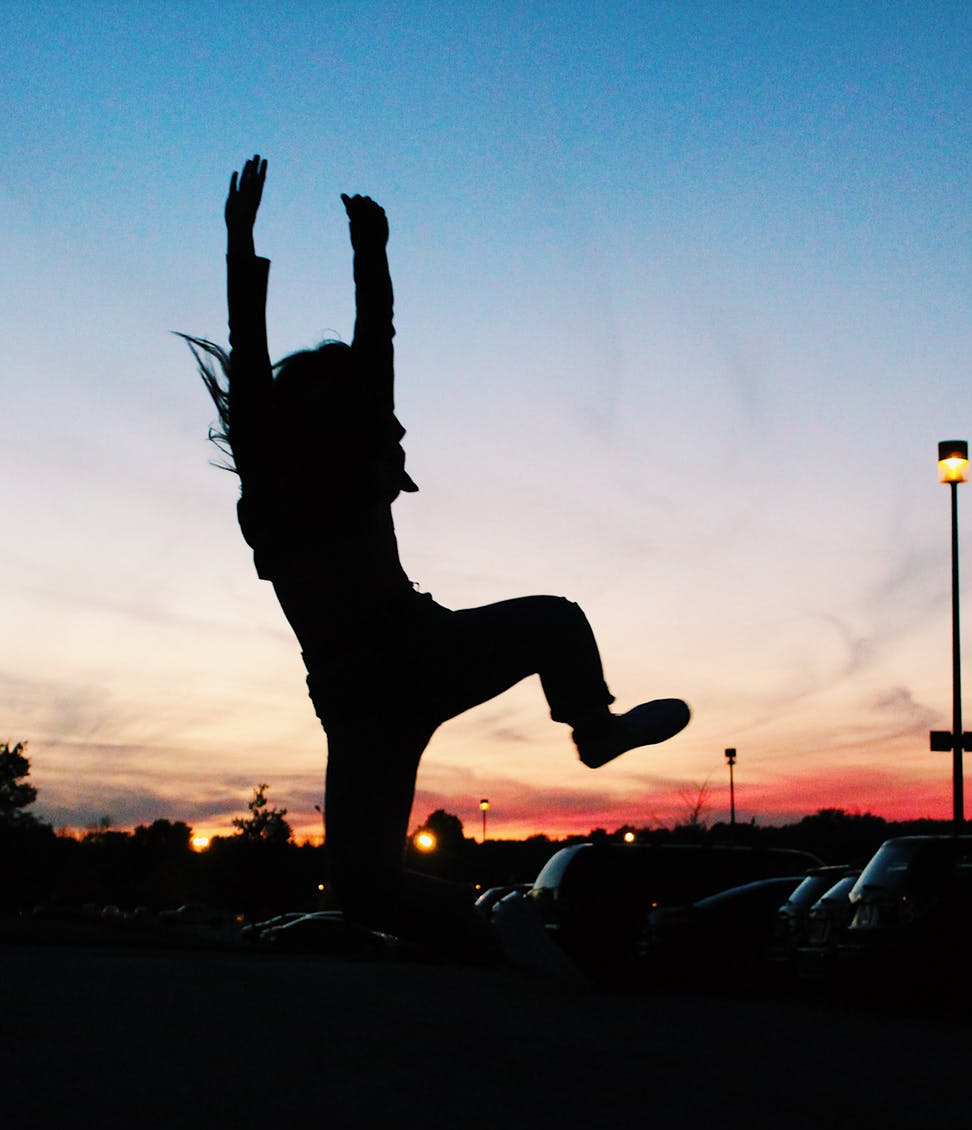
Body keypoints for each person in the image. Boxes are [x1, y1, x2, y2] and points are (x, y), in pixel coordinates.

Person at [184, 154, 688, 957]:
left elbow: (374, 346)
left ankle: (594, 729)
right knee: (362, 882)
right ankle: (496, 918)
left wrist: (371, 258)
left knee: (557, 620)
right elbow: (249, 360)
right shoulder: (271, 465)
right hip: (357, 692)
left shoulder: (355, 457)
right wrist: (240, 246)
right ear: (288, 413)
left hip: (409, 650)